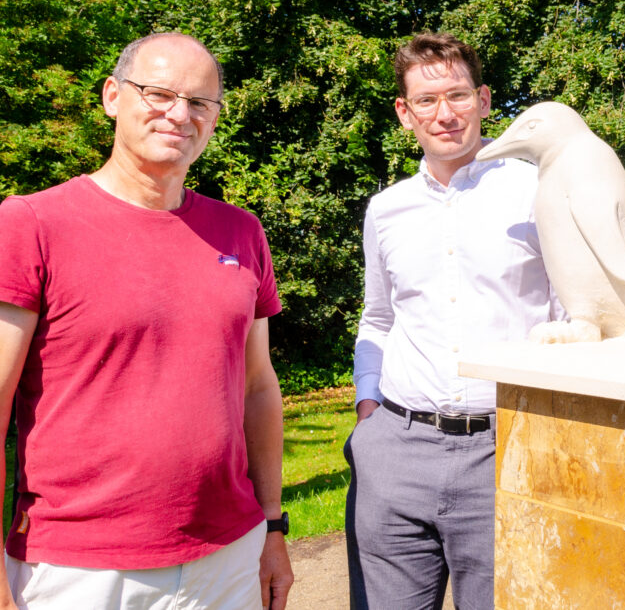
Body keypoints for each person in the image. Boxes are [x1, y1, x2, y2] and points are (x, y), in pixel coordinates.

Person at [0, 32, 293, 609]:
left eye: (200, 102)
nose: (179, 114)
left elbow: (258, 388)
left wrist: (272, 528)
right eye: (159, 93)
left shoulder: (242, 232)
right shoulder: (32, 222)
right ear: (113, 96)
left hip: (228, 555)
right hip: (80, 568)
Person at [346, 32, 563, 610]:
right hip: (395, 447)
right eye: (426, 100)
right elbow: (377, 319)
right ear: (404, 112)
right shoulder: (386, 209)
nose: (444, 114)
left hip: (505, 450)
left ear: (486, 100)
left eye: (458, 95)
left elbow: (573, 318)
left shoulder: (537, 190)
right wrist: (369, 412)